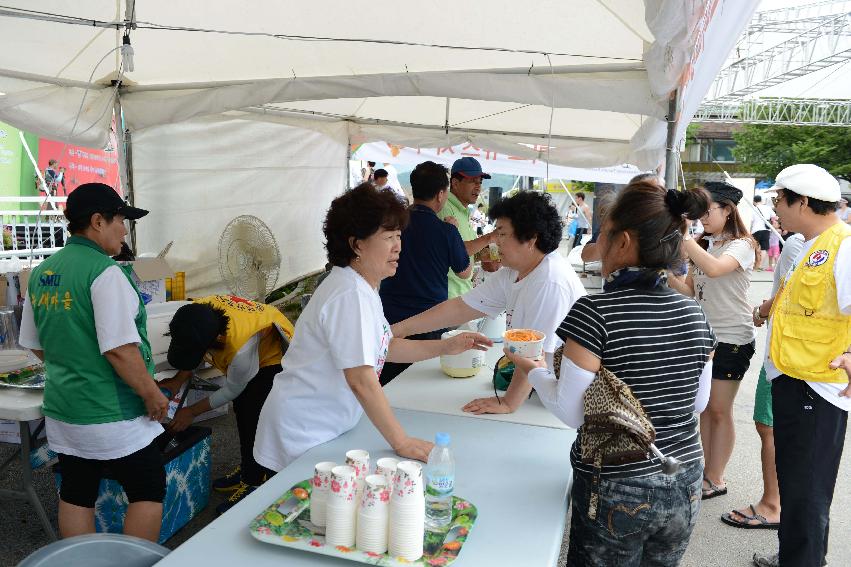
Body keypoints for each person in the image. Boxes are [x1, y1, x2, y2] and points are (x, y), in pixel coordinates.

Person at [506, 180, 715, 565]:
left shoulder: (594, 313)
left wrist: (534, 370)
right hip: (685, 477)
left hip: (618, 484)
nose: (598, 243)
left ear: (623, 242)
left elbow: (572, 413)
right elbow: (697, 401)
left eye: (604, 233)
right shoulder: (694, 313)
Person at [253, 184, 491, 472]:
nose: (398, 246)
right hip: (304, 431)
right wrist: (401, 441)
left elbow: (382, 347)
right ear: (357, 244)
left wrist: (446, 347)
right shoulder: (349, 294)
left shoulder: (361, 285)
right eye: (389, 237)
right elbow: (361, 379)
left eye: (399, 236)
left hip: (327, 427)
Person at [18, 183, 168, 541]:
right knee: (147, 488)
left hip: (64, 408)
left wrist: (76, 363)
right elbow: (120, 349)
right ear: (98, 221)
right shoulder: (105, 272)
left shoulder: (41, 273)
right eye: (120, 220)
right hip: (111, 411)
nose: (124, 231)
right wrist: (151, 393)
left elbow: (35, 345)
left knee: (76, 491)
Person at [392, 191, 585, 414]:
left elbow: (532, 353)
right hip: (539, 389)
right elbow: (460, 308)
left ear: (531, 239)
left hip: (558, 403)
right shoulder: (514, 272)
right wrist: (400, 328)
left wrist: (509, 402)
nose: (495, 240)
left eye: (502, 234)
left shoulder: (550, 281)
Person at [750, 164, 851, 567]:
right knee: (795, 482)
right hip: (793, 377)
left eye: (779, 200)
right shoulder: (813, 242)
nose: (775, 209)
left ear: (803, 202)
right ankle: (793, 557)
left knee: (808, 491)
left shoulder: (843, 245)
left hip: (819, 385)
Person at [158, 295, 295, 514]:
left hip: (272, 355)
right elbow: (195, 347)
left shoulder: (241, 347)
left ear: (219, 339)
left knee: (253, 417)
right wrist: (177, 380)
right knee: (244, 412)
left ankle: (255, 481)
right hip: (246, 341)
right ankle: (249, 466)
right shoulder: (197, 313)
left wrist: (191, 412)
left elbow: (232, 389)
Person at [669, 180, 756, 500]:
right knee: (705, 408)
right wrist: (665, 274)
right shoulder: (706, 244)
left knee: (719, 410)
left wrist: (684, 238)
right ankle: (707, 472)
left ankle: (716, 478)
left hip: (733, 338)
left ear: (729, 210)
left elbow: (717, 270)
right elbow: (692, 289)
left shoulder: (743, 244)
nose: (701, 217)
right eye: (698, 212)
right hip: (705, 338)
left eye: (707, 211)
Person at [721, 231, 804, 533]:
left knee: (769, 427)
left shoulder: (800, 242)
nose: (777, 207)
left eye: (782, 198)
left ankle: (772, 505)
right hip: (798, 355)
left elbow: (790, 289)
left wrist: (759, 312)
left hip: (785, 356)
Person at [378, 161, 471, 385]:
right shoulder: (446, 231)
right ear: (441, 195)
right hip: (429, 322)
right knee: (419, 386)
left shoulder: (394, 226)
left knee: (386, 383)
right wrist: (455, 233)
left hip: (388, 317)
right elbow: (465, 273)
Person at [440, 157, 497, 298]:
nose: (478, 187)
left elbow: (471, 254)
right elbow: (455, 251)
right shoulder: (445, 208)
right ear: (455, 183)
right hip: (448, 296)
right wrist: (490, 237)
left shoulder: (464, 211)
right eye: (472, 181)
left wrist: (498, 253)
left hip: (461, 295)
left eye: (480, 182)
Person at [751, 195, 773, 270]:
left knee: (754, 247)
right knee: (764, 248)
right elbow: (774, 216)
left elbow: (751, 220)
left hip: (756, 230)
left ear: (754, 201)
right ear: (761, 200)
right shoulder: (768, 207)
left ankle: (754, 264)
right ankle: (760, 265)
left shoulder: (753, 208)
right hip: (766, 230)